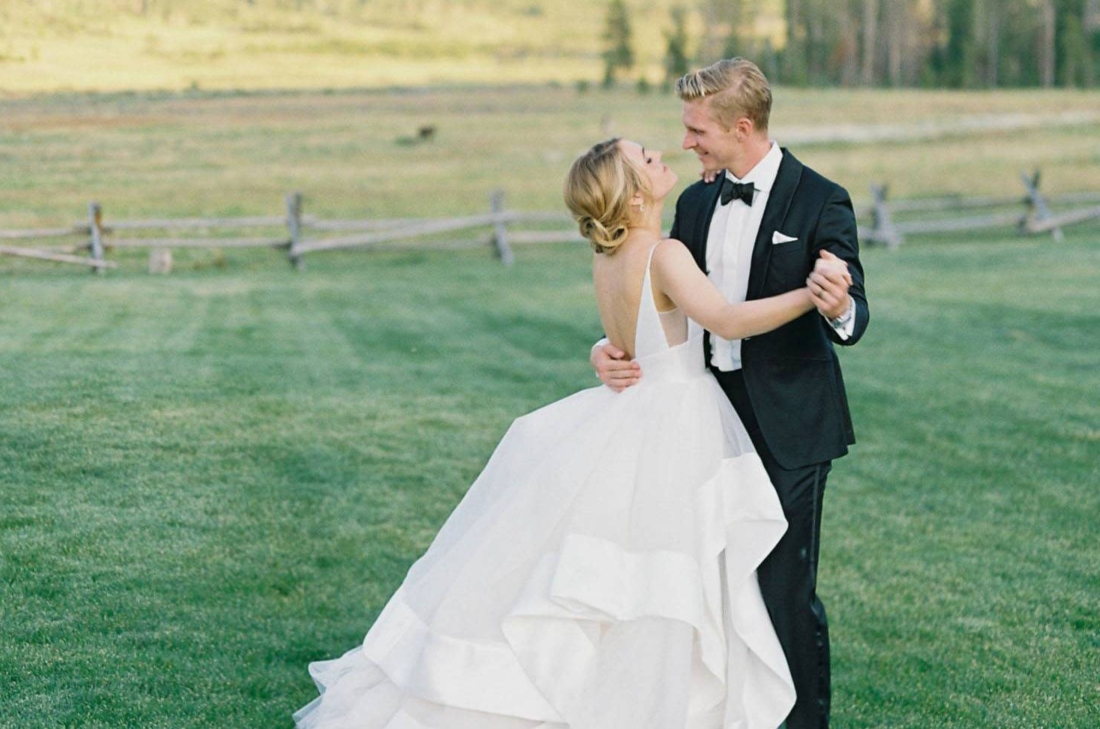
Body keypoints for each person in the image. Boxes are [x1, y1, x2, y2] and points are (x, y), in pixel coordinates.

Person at [292, 135, 849, 729]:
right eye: (647, 159)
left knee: (626, 582)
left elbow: (634, 334)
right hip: (673, 426)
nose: (663, 156)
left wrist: (600, 351)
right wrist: (810, 297)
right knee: (661, 585)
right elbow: (727, 320)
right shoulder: (663, 254)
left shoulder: (609, 256)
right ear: (634, 196)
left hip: (631, 414)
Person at [592, 58, 869, 729]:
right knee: (708, 588)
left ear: (740, 126)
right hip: (699, 422)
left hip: (790, 427)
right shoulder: (693, 201)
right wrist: (606, 348)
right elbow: (661, 304)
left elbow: (854, 311)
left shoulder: (821, 199)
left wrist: (836, 305)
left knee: (782, 590)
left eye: (696, 130)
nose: (687, 143)